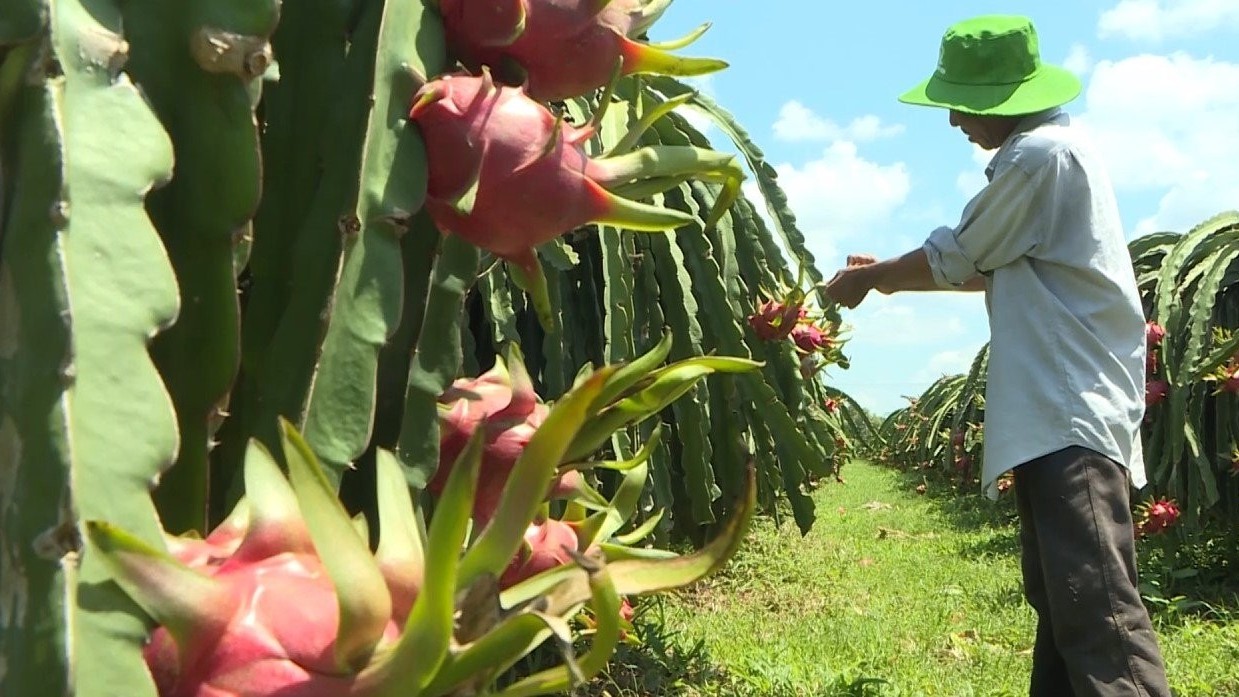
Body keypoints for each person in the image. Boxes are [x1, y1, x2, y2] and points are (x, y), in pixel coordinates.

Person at [823, 15, 1172, 697]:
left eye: (959, 102)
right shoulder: (1055, 153)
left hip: (1068, 410)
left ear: (994, 100)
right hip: (1057, 412)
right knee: (1064, 599)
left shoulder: (1037, 156)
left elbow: (961, 254)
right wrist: (889, 273)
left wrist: (874, 278)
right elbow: (989, 263)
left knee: (1099, 615)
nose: (952, 119)